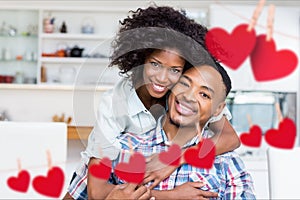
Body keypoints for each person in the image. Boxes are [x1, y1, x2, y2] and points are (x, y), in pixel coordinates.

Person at [64, 5, 240, 200]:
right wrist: (169, 196)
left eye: (175, 70)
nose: (162, 79)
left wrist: (174, 159)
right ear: (140, 57)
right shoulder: (114, 105)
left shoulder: (180, 96)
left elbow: (230, 138)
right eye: (155, 64)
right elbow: (96, 192)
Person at [97, 62, 256, 199]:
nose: (188, 96)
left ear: (218, 109)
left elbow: (231, 138)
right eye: (185, 84)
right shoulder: (121, 147)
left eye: (204, 94)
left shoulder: (226, 162)